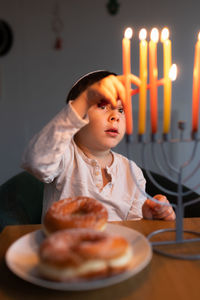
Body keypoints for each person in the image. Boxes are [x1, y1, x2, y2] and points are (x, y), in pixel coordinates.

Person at [21, 70, 175, 221]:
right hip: (65, 244)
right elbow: (35, 162)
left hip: (114, 245)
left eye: (121, 110)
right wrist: (86, 98)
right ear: (78, 115)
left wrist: (149, 216)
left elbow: (135, 229)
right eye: (103, 106)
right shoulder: (64, 155)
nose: (115, 116)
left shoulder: (132, 171)